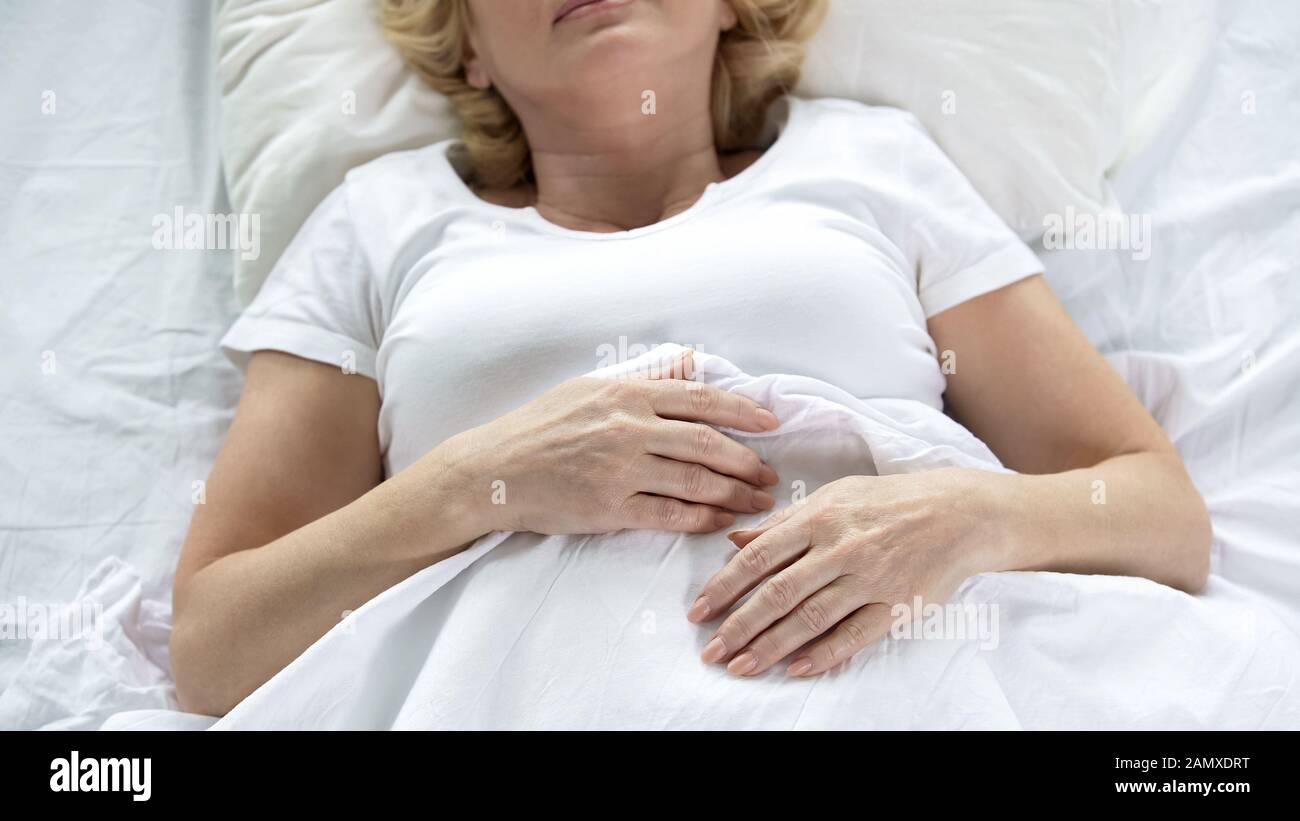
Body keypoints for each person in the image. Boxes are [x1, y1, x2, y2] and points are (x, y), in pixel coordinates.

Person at [170, 0, 1210, 716]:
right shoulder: (379, 222)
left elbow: (1159, 513)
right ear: (467, 46)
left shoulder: (871, 164)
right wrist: (479, 482)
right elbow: (216, 641)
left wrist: (962, 514)